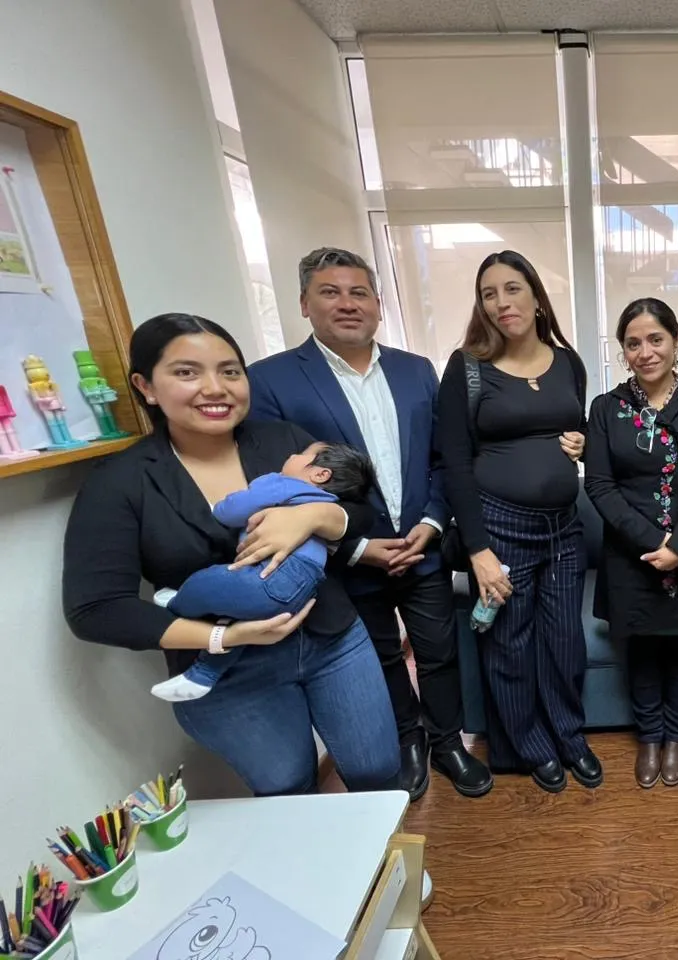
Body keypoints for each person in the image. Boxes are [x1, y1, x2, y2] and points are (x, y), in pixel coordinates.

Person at [63, 313, 400, 797]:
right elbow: (95, 609)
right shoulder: (121, 481)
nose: (214, 387)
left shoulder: (283, 440)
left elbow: (360, 508)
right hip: (225, 668)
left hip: (332, 640)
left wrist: (315, 519)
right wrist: (224, 635)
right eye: (186, 372)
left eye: (230, 371)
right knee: (287, 788)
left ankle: (394, 870)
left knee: (377, 771)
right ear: (146, 386)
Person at [248, 247, 491, 801]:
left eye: (359, 293)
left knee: (437, 650)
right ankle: (408, 740)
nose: (347, 304)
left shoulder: (416, 370)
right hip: (345, 556)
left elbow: (439, 458)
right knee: (380, 655)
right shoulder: (272, 381)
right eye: (330, 293)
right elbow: (279, 484)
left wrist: (432, 520)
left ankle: (448, 741)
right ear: (305, 304)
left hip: (422, 545)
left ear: (379, 305)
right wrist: (356, 546)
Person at [436, 250, 599, 793]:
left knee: (564, 640)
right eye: (489, 294)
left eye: (512, 289)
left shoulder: (567, 361)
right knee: (508, 643)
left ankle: (569, 736)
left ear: (535, 295)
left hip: (563, 529)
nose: (501, 303)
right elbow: (454, 462)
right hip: (501, 528)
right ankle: (529, 746)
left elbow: (580, 431)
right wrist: (478, 550)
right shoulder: (467, 367)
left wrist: (584, 444)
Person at [584, 298, 678, 789]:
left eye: (655, 339)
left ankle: (677, 737)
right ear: (623, 351)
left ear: (676, 340)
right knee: (643, 650)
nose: (645, 351)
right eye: (633, 343)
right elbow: (600, 486)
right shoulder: (606, 409)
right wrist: (653, 543)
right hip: (630, 554)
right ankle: (649, 736)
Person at [150, 440, 375, 702]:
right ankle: (202, 676)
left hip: (273, 577)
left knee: (208, 580)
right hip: (305, 588)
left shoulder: (281, 484)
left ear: (320, 473)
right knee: (239, 619)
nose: (291, 453)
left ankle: (179, 604)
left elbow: (231, 512)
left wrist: (219, 507)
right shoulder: (330, 501)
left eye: (302, 454)